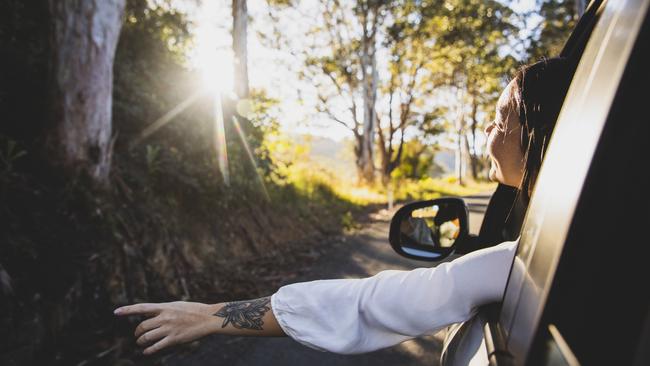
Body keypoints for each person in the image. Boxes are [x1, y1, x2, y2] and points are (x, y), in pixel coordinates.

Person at [114, 57, 576, 356]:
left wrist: (210, 314)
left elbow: (368, 303)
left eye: (500, 120)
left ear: (534, 135)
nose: (488, 135)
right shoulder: (557, 242)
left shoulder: (522, 262)